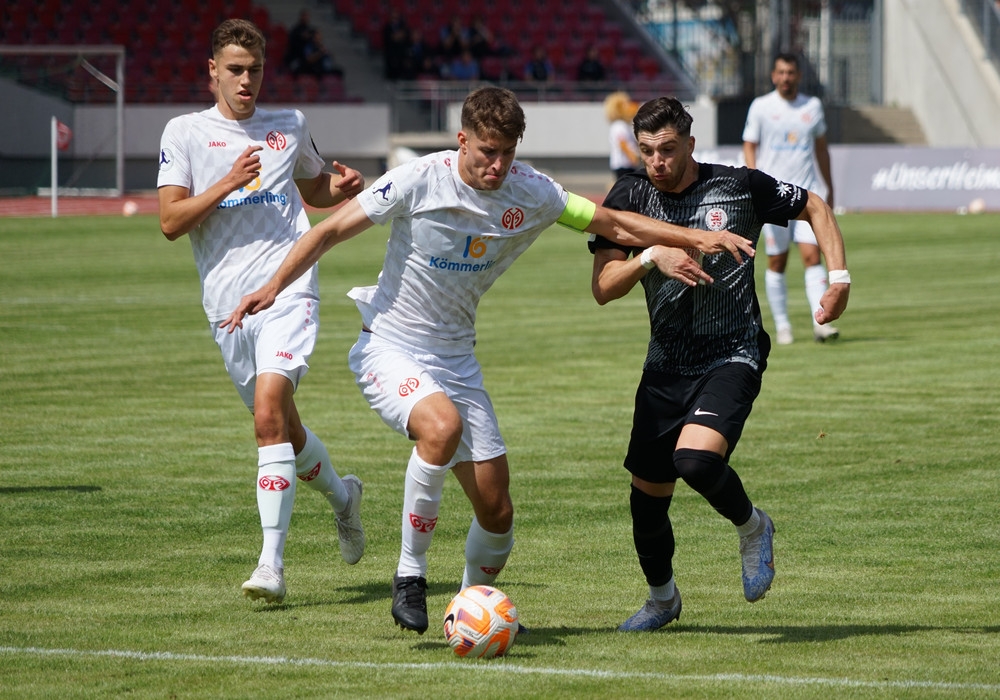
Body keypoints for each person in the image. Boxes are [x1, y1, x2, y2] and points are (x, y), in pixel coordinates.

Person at [222, 86, 755, 635]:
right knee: (441, 428)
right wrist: (272, 287)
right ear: (462, 141)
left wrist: (693, 236)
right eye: (486, 152)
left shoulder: (533, 191)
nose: (497, 165)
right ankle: (409, 576)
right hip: (389, 344)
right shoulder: (418, 179)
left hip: (457, 359)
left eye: (507, 152)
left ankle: (471, 608)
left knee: (498, 516)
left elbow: (612, 224)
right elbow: (330, 229)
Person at [590, 96, 849, 631]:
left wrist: (838, 279)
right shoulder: (629, 196)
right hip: (664, 364)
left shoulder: (739, 186)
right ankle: (663, 600)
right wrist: (647, 256)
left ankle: (753, 526)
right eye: (646, 152)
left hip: (732, 353)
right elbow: (603, 289)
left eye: (666, 150)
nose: (657, 162)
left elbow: (815, 207)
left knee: (697, 461)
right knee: (647, 501)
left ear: (689, 143)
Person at [157, 18, 367, 605]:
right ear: (212, 73)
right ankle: (344, 498)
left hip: (288, 287)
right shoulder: (184, 133)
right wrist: (227, 182)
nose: (247, 82)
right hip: (227, 307)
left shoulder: (289, 124)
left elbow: (313, 188)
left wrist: (341, 185)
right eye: (235, 71)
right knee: (283, 428)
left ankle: (271, 564)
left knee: (270, 410)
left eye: (255, 71)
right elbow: (172, 222)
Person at [742, 53, 838, 344]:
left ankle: (820, 321)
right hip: (773, 198)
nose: (786, 77)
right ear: (774, 75)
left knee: (812, 256)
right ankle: (782, 326)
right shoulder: (761, 107)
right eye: (781, 72)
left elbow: (821, 149)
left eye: (791, 72)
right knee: (777, 262)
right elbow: (749, 147)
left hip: (807, 196)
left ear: (798, 76)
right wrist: (753, 185)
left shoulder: (812, 106)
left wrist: (829, 187)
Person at [604, 91, 640, 181]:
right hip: (624, 164)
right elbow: (622, 143)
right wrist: (632, 156)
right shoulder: (619, 125)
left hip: (624, 164)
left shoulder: (621, 125)